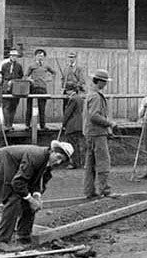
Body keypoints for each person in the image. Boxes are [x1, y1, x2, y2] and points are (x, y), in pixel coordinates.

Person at [0, 140, 73, 252]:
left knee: (28, 200)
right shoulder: (36, 156)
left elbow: (38, 181)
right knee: (13, 199)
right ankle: (1, 242)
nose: (58, 162)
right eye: (58, 157)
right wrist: (30, 199)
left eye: (61, 160)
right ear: (52, 151)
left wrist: (36, 197)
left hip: (13, 170)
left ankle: (24, 237)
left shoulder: (47, 162)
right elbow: (18, 182)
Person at [83, 69, 116, 199]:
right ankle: (104, 190)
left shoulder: (91, 94)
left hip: (91, 133)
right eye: (105, 82)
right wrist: (110, 124)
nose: (106, 84)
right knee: (103, 162)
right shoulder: (96, 96)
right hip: (97, 134)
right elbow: (94, 116)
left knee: (90, 164)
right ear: (100, 82)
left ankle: (89, 191)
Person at [25, 49, 56, 131]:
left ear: (44, 57)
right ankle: (28, 125)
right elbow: (25, 76)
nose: (40, 57)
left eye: (42, 56)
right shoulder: (31, 65)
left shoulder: (46, 66)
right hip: (33, 89)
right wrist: (30, 80)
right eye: (38, 55)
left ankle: (43, 126)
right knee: (30, 108)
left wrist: (49, 79)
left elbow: (54, 73)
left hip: (42, 89)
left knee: (42, 108)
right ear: (35, 56)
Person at [61, 83, 84, 169]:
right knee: (77, 144)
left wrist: (63, 123)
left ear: (71, 90)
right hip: (79, 124)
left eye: (67, 90)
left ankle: (74, 163)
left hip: (72, 125)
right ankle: (78, 162)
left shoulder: (73, 99)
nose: (66, 92)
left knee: (72, 145)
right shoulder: (79, 98)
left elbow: (68, 113)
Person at [1, 49, 24, 130]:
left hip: (16, 87)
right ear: (10, 56)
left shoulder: (19, 66)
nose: (14, 57)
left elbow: (21, 75)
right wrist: (5, 84)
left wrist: (14, 81)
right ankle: (6, 125)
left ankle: (10, 124)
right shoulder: (4, 65)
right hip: (6, 86)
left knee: (13, 106)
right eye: (12, 56)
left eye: (15, 56)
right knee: (6, 106)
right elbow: (2, 76)